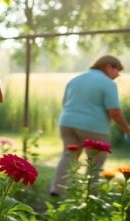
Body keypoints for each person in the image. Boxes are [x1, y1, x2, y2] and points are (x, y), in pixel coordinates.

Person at [50, 55, 130, 196]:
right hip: (93, 126)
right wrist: (127, 129)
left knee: (69, 156)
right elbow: (114, 112)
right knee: (96, 161)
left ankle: (57, 191)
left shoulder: (75, 80)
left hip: (67, 123)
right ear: (107, 66)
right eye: (117, 69)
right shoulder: (108, 83)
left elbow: (65, 103)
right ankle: (91, 196)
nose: (118, 74)